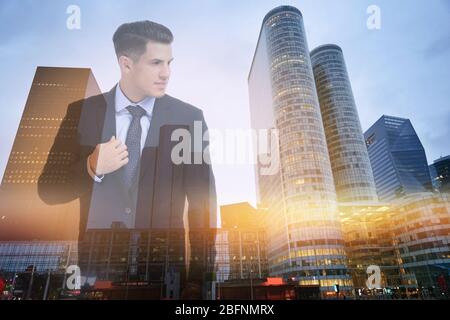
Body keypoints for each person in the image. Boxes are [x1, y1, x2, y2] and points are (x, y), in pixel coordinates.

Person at [38, 20, 218, 299]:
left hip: (166, 276)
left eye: (170, 63)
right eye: (156, 63)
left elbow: (202, 203)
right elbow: (48, 189)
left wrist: (199, 278)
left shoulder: (189, 118)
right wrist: (90, 167)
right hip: (96, 276)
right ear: (126, 63)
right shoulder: (82, 112)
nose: (166, 73)